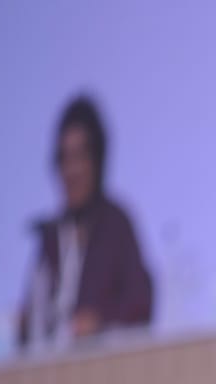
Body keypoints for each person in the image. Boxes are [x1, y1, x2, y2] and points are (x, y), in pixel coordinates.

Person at [17, 95, 153, 348]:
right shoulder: (51, 235)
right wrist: (21, 324)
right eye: (64, 159)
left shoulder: (116, 223)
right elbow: (35, 310)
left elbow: (142, 304)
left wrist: (99, 323)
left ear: (97, 160)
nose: (71, 171)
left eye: (79, 157)